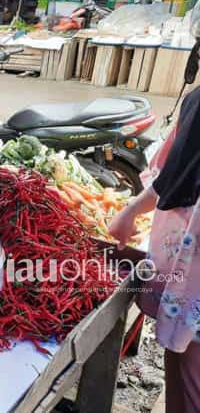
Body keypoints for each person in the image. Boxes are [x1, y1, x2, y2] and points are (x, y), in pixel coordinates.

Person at [109, 82, 200, 411]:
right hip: (183, 272)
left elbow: (169, 178)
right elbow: (171, 174)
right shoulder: (196, 100)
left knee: (192, 373)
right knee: (177, 359)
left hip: (194, 277)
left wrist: (130, 211)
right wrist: (131, 211)